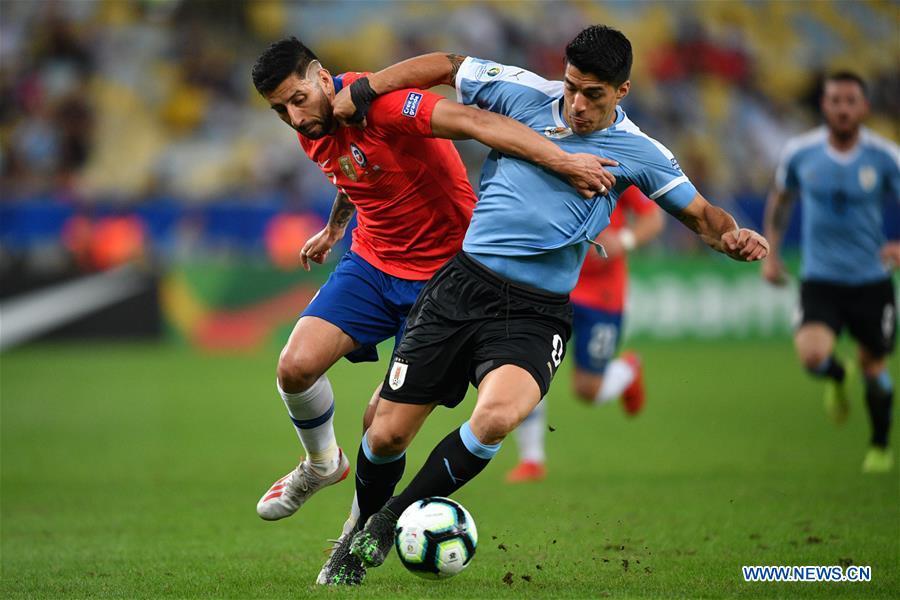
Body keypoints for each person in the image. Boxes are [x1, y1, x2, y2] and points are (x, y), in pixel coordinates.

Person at [320, 25, 769, 585]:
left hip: (536, 312)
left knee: (496, 418)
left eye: (594, 95)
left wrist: (733, 237)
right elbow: (445, 62)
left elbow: (704, 217)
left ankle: (384, 527)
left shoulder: (643, 153)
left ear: (622, 92)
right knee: (385, 435)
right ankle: (356, 526)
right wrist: (369, 89)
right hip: (461, 289)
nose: (577, 105)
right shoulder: (522, 91)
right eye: (572, 87)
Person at [249, 37, 613, 535]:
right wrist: (336, 227)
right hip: (373, 261)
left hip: (444, 278)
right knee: (293, 367)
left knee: (382, 428)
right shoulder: (311, 126)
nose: (293, 117)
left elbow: (476, 123)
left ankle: (355, 533)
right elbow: (349, 170)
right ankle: (320, 464)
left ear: (319, 75)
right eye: (279, 110)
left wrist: (563, 160)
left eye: (297, 99)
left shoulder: (384, 105)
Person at [763, 71, 899, 474]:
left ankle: (879, 446)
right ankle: (838, 376)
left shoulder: (884, 155)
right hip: (820, 279)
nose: (842, 108)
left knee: (875, 370)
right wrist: (771, 251)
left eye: (850, 101)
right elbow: (782, 197)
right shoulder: (801, 153)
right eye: (835, 101)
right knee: (812, 357)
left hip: (871, 281)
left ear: (864, 108)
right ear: (824, 106)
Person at [506, 185, 664, 483]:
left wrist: (624, 239)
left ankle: (628, 370)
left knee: (587, 391)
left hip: (604, 296)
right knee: (528, 366)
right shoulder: (549, 159)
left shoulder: (616, 167)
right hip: (553, 286)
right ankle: (532, 460)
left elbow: (653, 219)